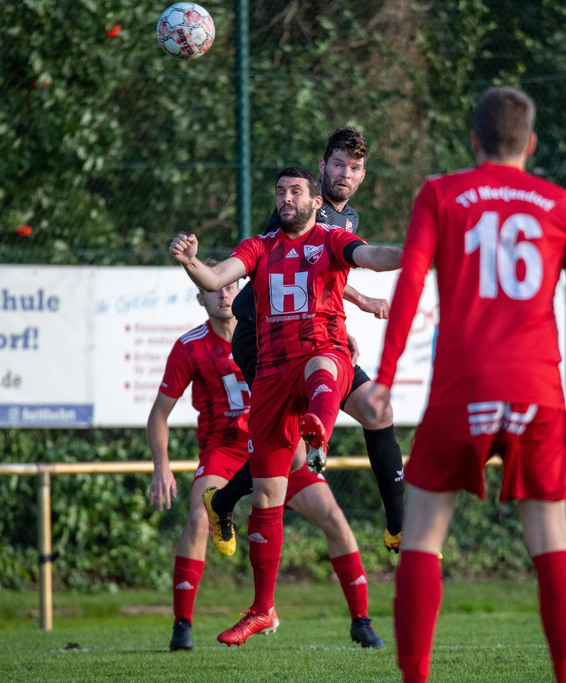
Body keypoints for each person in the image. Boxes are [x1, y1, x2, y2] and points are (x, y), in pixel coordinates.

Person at [362, 86, 566, 683]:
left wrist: (388, 378)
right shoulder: (563, 205)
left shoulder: (442, 194)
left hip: (462, 387)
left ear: (474, 142)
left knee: (422, 535)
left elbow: (411, 283)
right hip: (537, 391)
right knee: (551, 537)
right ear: (530, 144)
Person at [168, 166, 402, 646]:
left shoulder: (332, 240)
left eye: (295, 191)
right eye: (280, 192)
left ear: (316, 201)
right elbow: (216, 275)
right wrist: (192, 263)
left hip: (321, 355)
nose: (286, 198)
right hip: (272, 375)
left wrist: (420, 253)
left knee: (324, 365)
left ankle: (319, 424)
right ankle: (262, 609)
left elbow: (374, 256)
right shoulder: (260, 246)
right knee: (268, 499)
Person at [146, 266, 385, 651]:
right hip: (225, 452)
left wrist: (343, 341)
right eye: (215, 290)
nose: (224, 296)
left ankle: (362, 620)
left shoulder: (272, 332)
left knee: (334, 518)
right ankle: (182, 627)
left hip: (281, 447)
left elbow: (319, 364)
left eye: (232, 288)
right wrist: (162, 465)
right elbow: (159, 414)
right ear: (200, 297)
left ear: (244, 293)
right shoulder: (190, 346)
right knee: (197, 515)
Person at [205, 127, 406, 556]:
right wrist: (363, 300)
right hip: (261, 337)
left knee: (376, 407)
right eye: (337, 164)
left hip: (311, 338)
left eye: (353, 168)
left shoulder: (348, 220)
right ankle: (224, 501)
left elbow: (326, 275)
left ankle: (398, 525)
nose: (344, 174)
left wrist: (340, 320)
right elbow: (289, 271)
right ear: (322, 166)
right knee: (290, 456)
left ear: (363, 176)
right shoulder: (296, 210)